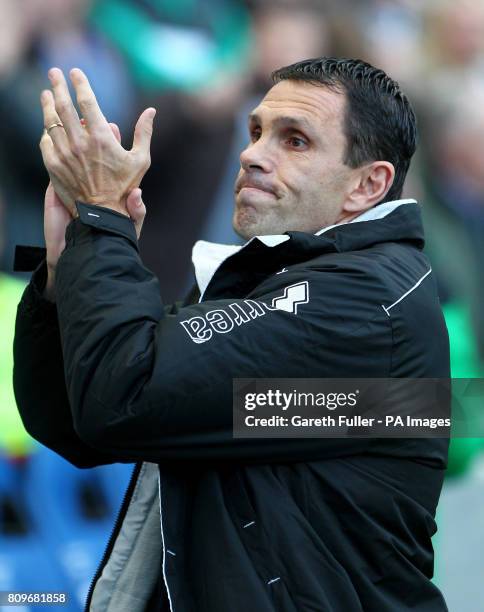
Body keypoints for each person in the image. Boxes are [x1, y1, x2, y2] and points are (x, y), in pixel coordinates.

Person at [13, 58, 450, 611]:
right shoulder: (269, 278)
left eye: (294, 141)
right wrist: (63, 273)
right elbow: (83, 422)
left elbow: (125, 397)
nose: (252, 154)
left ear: (368, 184)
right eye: (256, 132)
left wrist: (102, 223)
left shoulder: (365, 300)